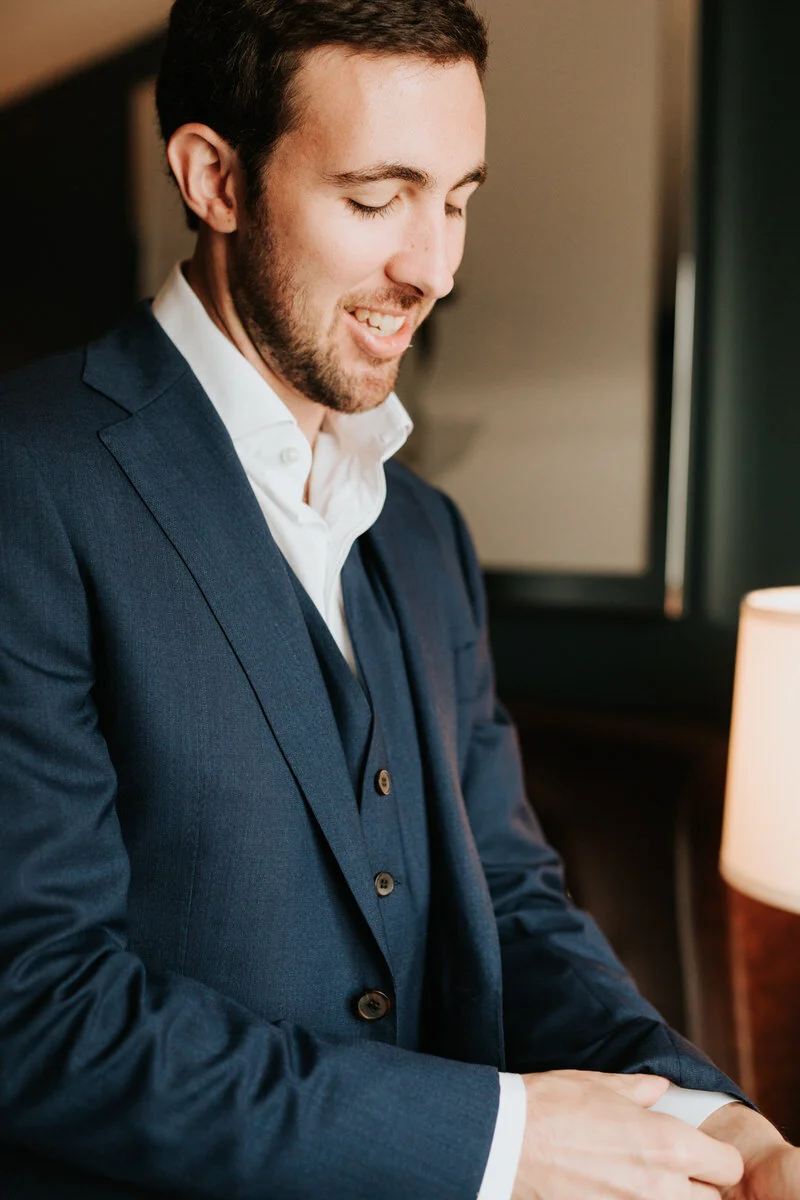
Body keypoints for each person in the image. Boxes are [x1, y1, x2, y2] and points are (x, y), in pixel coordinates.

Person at [0, 1, 796, 1197]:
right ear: (214, 177)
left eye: (458, 198)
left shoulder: (426, 534)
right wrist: (498, 1141)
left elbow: (510, 899)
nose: (432, 266)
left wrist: (706, 1121)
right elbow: (37, 1005)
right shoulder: (28, 475)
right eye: (375, 198)